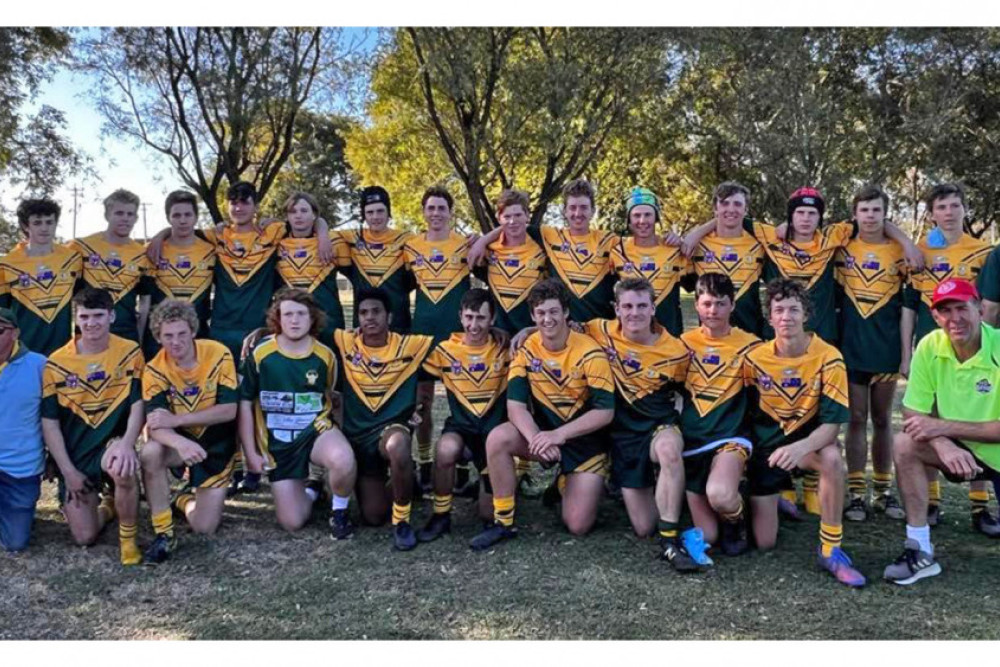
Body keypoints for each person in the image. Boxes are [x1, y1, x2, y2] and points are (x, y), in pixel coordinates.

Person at [470, 279, 615, 550]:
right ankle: (504, 522)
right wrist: (537, 437)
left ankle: (563, 484)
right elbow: (516, 406)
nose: (547, 319)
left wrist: (557, 435)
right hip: (543, 436)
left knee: (578, 525)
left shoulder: (590, 351)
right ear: (533, 316)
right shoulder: (525, 348)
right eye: (541, 313)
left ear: (566, 313)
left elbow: (605, 412)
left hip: (584, 442)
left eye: (553, 312)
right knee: (498, 437)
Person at [743, 278, 865, 587]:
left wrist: (799, 449)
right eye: (779, 310)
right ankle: (773, 500)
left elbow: (833, 425)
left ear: (806, 314)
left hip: (808, 445)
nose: (786, 317)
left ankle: (830, 547)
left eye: (794, 310)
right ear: (769, 317)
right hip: (767, 450)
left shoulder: (829, 356)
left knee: (832, 459)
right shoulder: (754, 359)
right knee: (764, 543)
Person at [886, 278, 1000, 584]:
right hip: (955, 448)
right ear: (935, 317)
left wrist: (943, 427)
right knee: (904, 443)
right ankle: (919, 549)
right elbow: (913, 411)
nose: (955, 318)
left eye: (962, 308)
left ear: (978, 307)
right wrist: (943, 443)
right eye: (945, 311)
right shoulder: (930, 344)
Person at [902, 183, 999, 533]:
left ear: (964, 209)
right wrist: (906, 352)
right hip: (934, 347)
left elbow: (989, 302)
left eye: (955, 205)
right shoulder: (918, 251)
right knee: (926, 423)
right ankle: (931, 502)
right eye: (941, 207)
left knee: (977, 414)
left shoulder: (983, 251)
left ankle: (980, 505)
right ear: (932, 213)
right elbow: (909, 305)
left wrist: (982, 341)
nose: (949, 212)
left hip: (976, 347)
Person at [581, 278, 696, 571]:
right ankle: (658, 487)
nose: (635, 313)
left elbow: (689, 392)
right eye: (628, 306)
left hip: (659, 426)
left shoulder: (676, 350)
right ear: (616, 309)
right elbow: (560, 330)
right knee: (644, 527)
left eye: (642, 305)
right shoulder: (598, 330)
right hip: (623, 436)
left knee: (670, 451)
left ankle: (670, 541)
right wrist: (528, 331)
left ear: (653, 308)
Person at [239, 288, 357, 537]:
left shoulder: (325, 356)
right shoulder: (261, 353)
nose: (294, 320)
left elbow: (335, 398)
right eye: (288, 314)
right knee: (292, 522)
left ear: (312, 318)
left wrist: (344, 436)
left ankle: (339, 513)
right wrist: (250, 452)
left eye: (301, 314)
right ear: (277, 319)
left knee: (343, 459)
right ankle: (313, 490)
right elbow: (245, 403)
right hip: (278, 442)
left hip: (315, 430)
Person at [41, 288, 146, 565]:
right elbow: (49, 423)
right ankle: (109, 507)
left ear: (111, 316)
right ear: (76, 319)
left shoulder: (130, 352)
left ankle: (128, 540)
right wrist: (68, 471)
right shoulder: (57, 362)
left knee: (121, 467)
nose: (91, 323)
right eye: (84, 317)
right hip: (75, 455)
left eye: (98, 315)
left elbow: (138, 404)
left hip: (109, 445)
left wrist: (126, 443)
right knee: (84, 537)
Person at [331, 287, 433, 550]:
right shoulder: (344, 342)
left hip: (389, 431)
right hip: (357, 439)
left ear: (389, 316)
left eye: (376, 311)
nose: (369, 317)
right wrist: (263, 332)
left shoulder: (411, 345)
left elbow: (461, 342)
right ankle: (404, 480)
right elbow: (301, 332)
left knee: (397, 446)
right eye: (363, 313)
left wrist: (500, 332)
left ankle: (402, 521)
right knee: (374, 516)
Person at [139, 300, 239, 563]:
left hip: (217, 443)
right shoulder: (153, 369)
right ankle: (164, 531)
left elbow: (229, 410)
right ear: (158, 337)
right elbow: (156, 423)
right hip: (179, 442)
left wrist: (178, 419)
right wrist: (179, 443)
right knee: (150, 453)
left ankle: (181, 499)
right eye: (168, 336)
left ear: (193, 331)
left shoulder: (218, 353)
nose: (176, 342)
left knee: (204, 528)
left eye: (182, 334)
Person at [834, 185, 908, 522]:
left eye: (876, 210)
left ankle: (883, 491)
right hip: (851, 348)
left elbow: (910, 303)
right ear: (854, 214)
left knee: (882, 420)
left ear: (885, 214)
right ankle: (855, 493)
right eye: (864, 210)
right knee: (855, 419)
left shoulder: (901, 251)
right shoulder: (841, 246)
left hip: (886, 348)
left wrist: (904, 239)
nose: (870, 216)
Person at [417, 288, 509, 541]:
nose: (474, 325)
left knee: (489, 515)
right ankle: (441, 515)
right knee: (445, 449)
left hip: (493, 435)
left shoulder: (506, 349)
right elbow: (412, 375)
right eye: (469, 317)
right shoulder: (445, 351)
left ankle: (486, 485)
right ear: (460, 316)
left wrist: (520, 333)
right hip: (461, 427)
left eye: (481, 318)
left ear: (492, 319)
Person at [680, 274, 761, 557]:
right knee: (709, 537)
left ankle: (736, 519)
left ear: (733, 305)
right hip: (691, 445)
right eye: (706, 304)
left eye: (720, 303)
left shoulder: (752, 346)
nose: (713, 311)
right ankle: (731, 501)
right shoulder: (682, 344)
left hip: (730, 437)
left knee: (720, 495)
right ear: (697, 306)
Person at [404, 186, 475, 491]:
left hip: (457, 336)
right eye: (430, 208)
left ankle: (460, 462)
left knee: (462, 401)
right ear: (424, 212)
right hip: (422, 334)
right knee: (422, 402)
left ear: (450, 212)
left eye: (441, 208)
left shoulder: (466, 245)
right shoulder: (410, 246)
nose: (435, 213)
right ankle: (424, 463)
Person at [470, 179, 617, 323]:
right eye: (572, 207)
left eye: (584, 207)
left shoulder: (610, 241)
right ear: (564, 211)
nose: (578, 213)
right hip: (565, 330)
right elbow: (514, 225)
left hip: (603, 327)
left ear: (593, 210)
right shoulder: (549, 236)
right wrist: (482, 241)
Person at [0, 198, 83, 356]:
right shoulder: (7, 264)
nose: (44, 228)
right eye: (37, 223)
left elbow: (82, 303)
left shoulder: (72, 259)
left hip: (63, 352)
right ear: (26, 226)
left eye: (49, 222)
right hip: (23, 352)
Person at [682, 182, 767, 336]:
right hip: (710, 339)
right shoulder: (698, 245)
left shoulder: (760, 244)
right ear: (715, 208)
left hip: (751, 336)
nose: (731, 209)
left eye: (737, 204)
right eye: (724, 203)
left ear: (745, 209)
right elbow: (686, 284)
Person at [71, 189, 153, 345]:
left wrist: (140, 336)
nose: (125, 219)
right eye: (119, 213)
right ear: (107, 215)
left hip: (126, 334)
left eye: (130, 214)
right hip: (88, 335)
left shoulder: (143, 255)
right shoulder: (81, 247)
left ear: (136, 218)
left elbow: (145, 300)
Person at [611, 188, 692, 337]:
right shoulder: (617, 251)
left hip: (669, 338)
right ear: (628, 219)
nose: (642, 221)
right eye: (636, 215)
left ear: (656, 217)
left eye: (648, 214)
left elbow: (693, 285)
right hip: (630, 340)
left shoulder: (673, 249)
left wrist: (683, 243)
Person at [144, 190, 216, 359]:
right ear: (168, 218)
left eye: (187, 214)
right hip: (159, 340)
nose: (182, 220)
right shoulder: (153, 250)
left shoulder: (212, 250)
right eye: (176, 215)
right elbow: (145, 301)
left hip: (198, 335)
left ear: (196, 217)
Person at [0, 308, 47, 552]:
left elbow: (52, 419)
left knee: (15, 543)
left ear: (16, 333)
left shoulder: (39, 365)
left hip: (20, 469)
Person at [338, 186, 414, 333]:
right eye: (370, 212)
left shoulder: (408, 240)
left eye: (380, 211)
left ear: (388, 212)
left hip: (399, 325)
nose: (375, 217)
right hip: (363, 326)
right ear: (364, 215)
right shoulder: (351, 238)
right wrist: (321, 227)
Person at [275, 191, 349, 342]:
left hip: (328, 321)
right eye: (293, 211)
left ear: (314, 214)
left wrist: (323, 232)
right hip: (291, 324)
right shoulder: (276, 244)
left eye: (304, 210)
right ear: (287, 217)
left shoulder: (333, 242)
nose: (298, 215)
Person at [472, 189, 547, 333]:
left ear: (527, 216)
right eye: (507, 216)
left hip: (532, 335)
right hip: (497, 335)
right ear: (499, 218)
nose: (513, 221)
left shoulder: (542, 247)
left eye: (518, 215)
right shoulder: (488, 249)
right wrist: (478, 241)